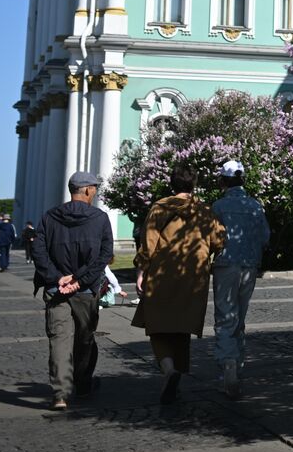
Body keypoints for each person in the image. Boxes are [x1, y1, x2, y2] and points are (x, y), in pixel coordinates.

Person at [133, 168, 225, 405]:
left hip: (163, 272)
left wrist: (141, 271)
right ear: (193, 184)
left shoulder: (160, 208)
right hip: (194, 276)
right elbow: (219, 240)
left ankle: (168, 369)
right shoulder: (204, 210)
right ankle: (177, 378)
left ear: (171, 184)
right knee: (182, 326)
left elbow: (148, 242)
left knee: (157, 325)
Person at [33, 171, 114, 411]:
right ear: (88, 190)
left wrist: (57, 278)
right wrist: (79, 280)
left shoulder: (49, 217)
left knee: (59, 340)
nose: (96, 193)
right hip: (86, 291)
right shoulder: (99, 218)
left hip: (55, 289)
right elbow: (104, 256)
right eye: (95, 189)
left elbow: (38, 252)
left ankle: (60, 394)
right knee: (85, 339)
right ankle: (83, 383)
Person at [211, 159, 270, 399]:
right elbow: (265, 236)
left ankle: (228, 364)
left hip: (226, 265)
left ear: (223, 181)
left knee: (226, 315)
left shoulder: (218, 206)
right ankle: (238, 362)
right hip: (249, 265)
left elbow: (211, 237)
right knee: (240, 317)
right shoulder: (255, 206)